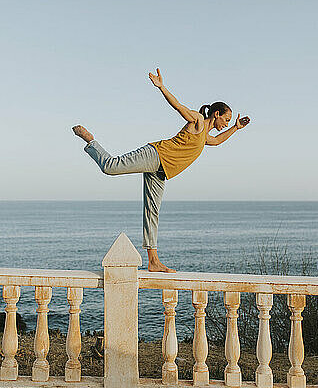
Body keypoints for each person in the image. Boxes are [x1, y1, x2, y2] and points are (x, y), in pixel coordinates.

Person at [72, 68, 250, 273]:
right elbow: (178, 106)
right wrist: (161, 87)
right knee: (110, 167)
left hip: (161, 171)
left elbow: (217, 141)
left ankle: (153, 261)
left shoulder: (206, 137)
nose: (226, 123)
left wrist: (235, 128)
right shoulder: (198, 121)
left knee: (152, 212)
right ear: (216, 114)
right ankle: (90, 140)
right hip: (155, 154)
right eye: (226, 120)